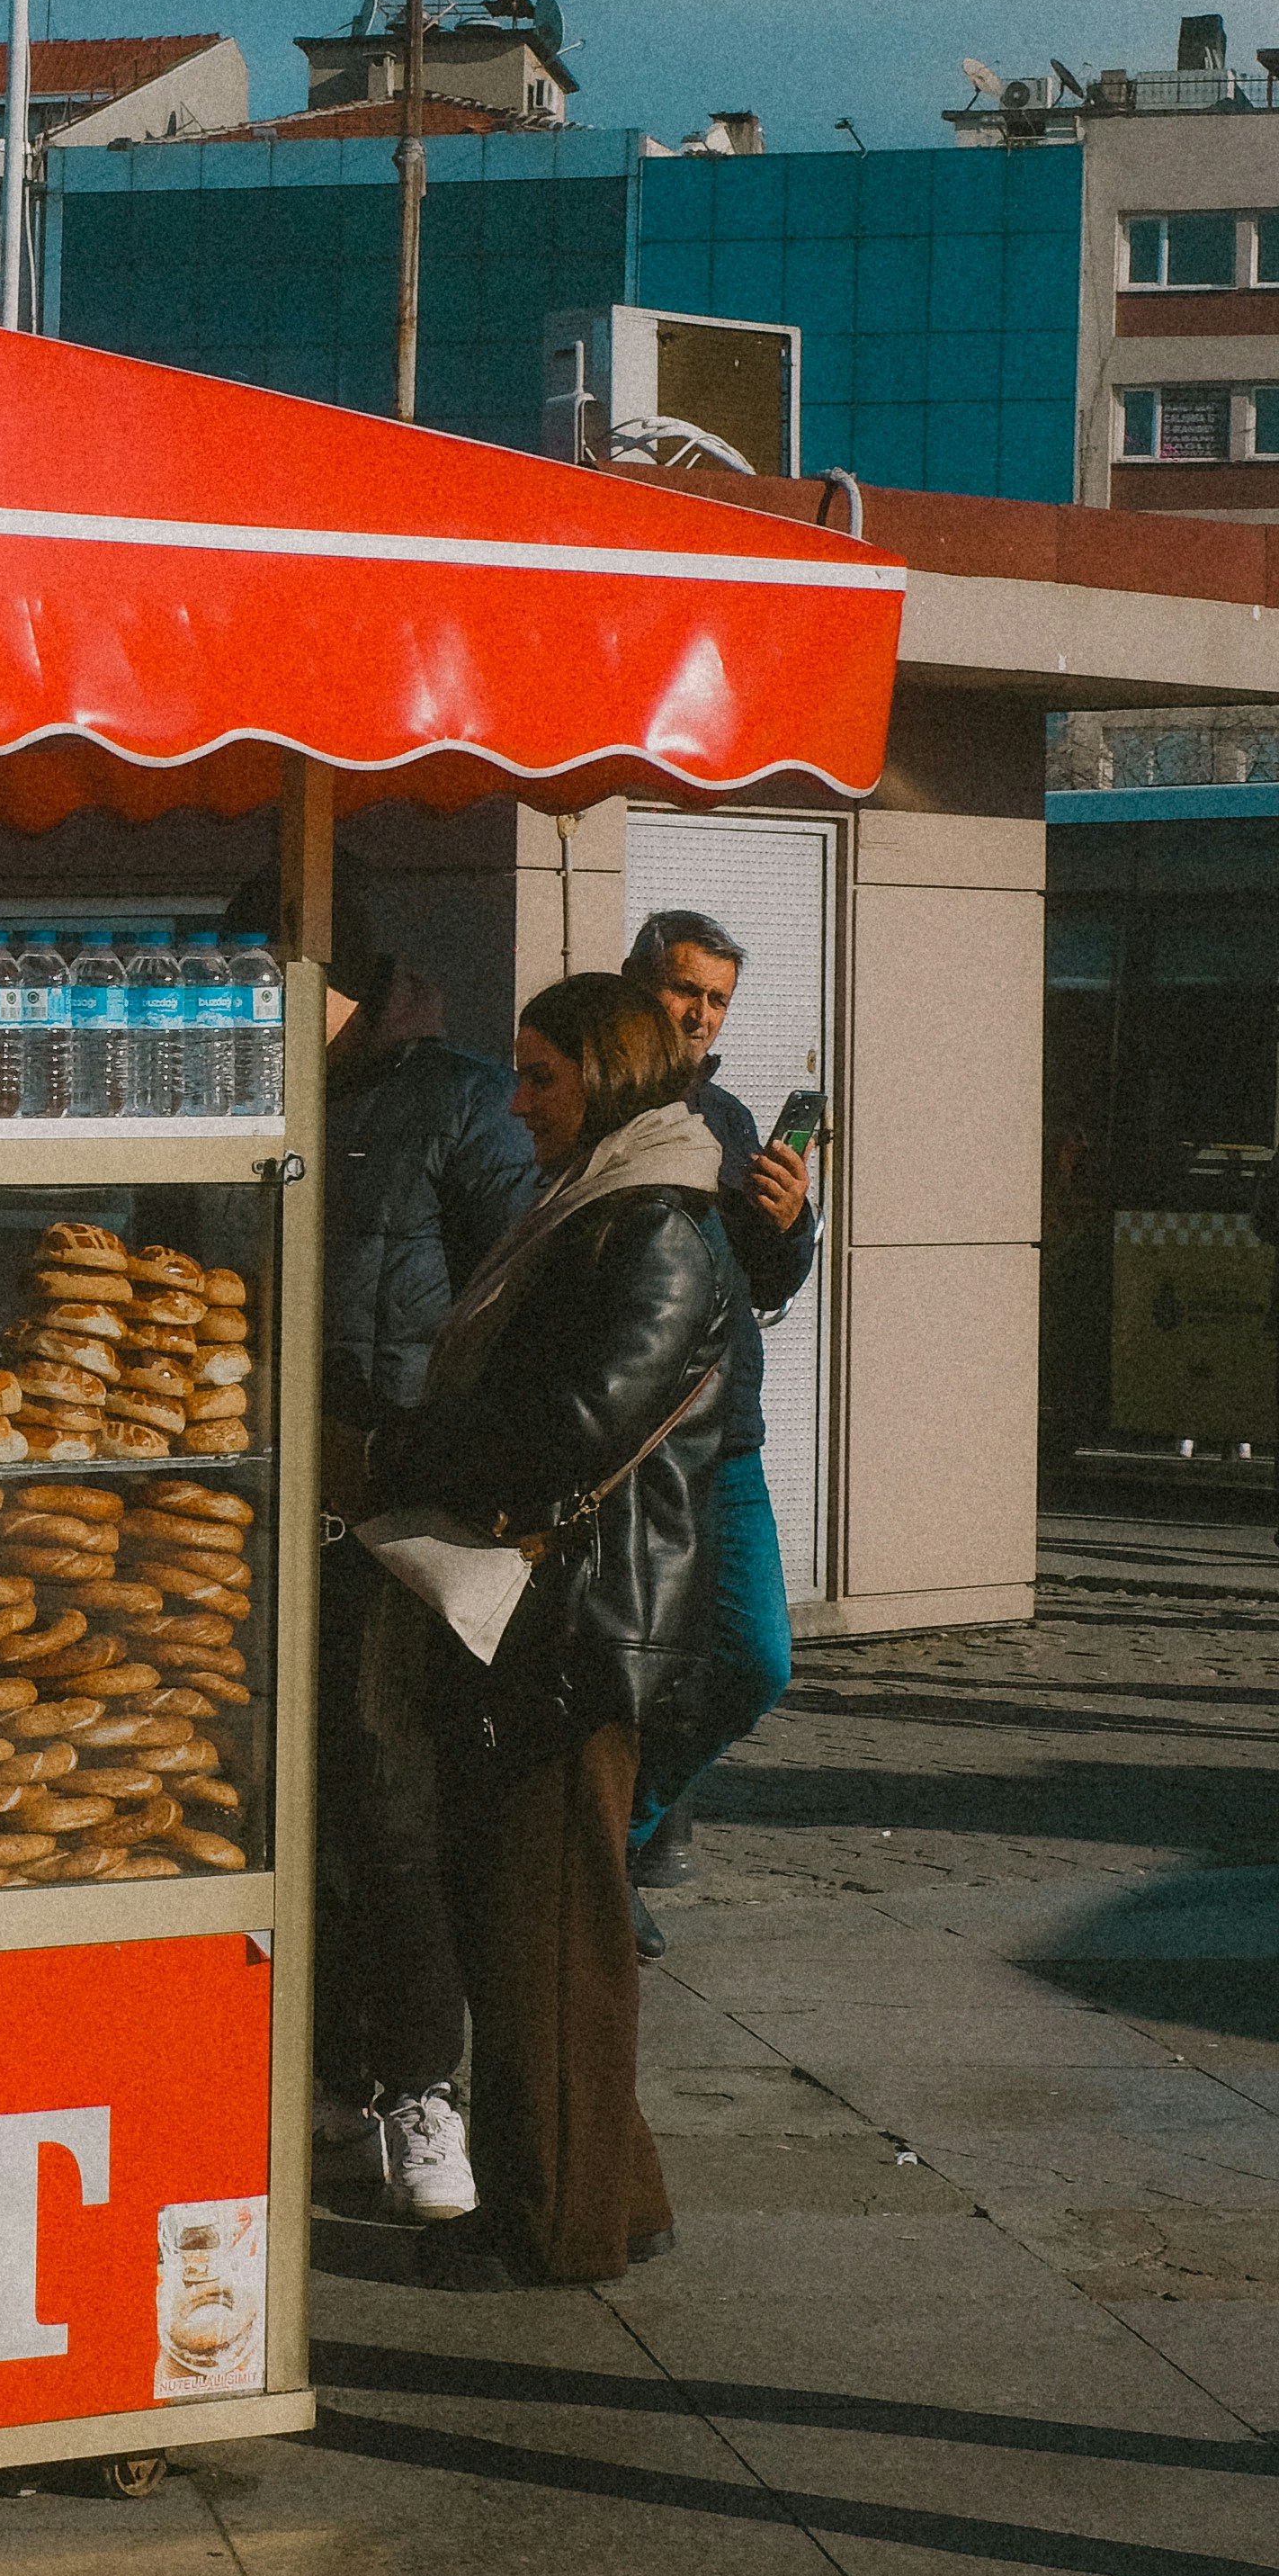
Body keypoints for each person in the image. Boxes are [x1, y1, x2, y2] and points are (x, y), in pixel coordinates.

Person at [363, 973, 734, 2287]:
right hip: (562, 1623)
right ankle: (612, 2193)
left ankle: (554, 2230)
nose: (516, 1104)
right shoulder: (593, 1208)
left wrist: (405, 1450)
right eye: (517, 1075)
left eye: (542, 1078)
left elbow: (572, 1427)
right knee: (541, 1928)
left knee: (553, 1939)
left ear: (612, 1078)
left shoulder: (653, 1231)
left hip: (584, 1628)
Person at [312, 953, 536, 2221]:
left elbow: (506, 1304)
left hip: (396, 1508)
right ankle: (333, 2066)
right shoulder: (246, 1086)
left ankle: (419, 2087)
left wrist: (425, 1452)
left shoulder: (458, 1101)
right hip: (262, 1493)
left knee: (392, 1799)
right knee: (293, 1800)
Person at [620, 907, 819, 1935]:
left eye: (715, 1000)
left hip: (723, 1432)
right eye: (683, 990)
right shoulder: (596, 1099)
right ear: (638, 984)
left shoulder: (734, 1118)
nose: (699, 1015)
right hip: (623, 1436)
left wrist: (792, 1225)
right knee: (623, 1662)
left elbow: (766, 1273)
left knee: (755, 1656)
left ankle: (625, 1836)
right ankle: (596, 1859)